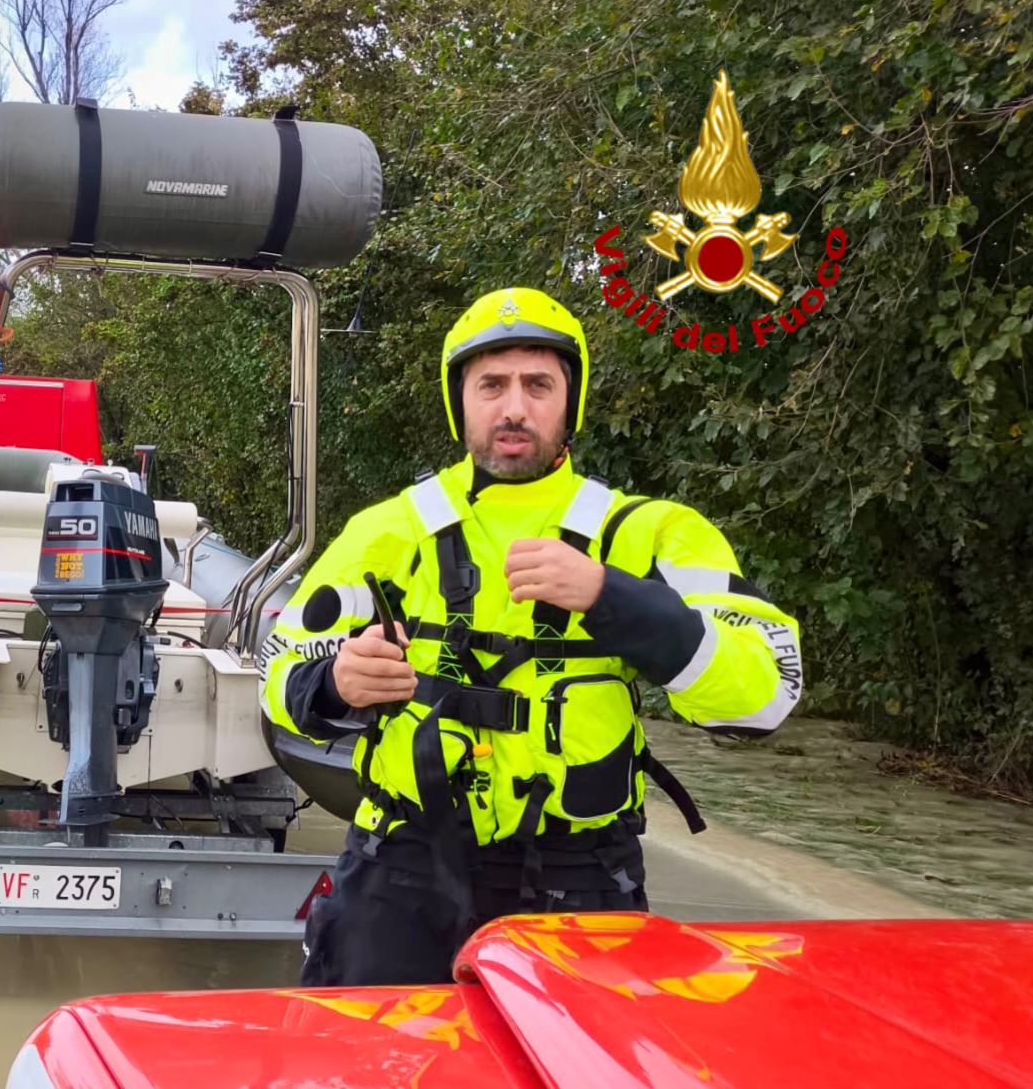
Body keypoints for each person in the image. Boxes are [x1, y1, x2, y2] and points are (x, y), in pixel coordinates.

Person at [262, 287, 804, 987]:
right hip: (401, 865)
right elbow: (280, 678)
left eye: (537, 385)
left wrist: (613, 598)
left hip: (581, 878)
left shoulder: (649, 532)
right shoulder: (386, 529)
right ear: (460, 400)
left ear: (569, 401)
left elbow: (766, 695)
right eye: (491, 384)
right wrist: (334, 682)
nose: (514, 408)